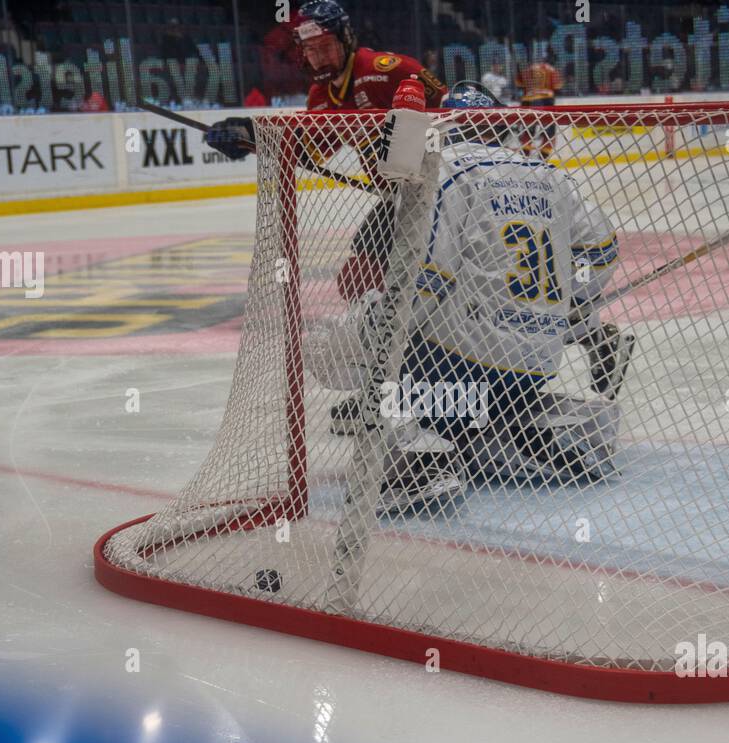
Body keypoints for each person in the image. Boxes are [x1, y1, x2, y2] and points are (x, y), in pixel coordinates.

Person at [305, 82, 631, 512]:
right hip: (530, 373)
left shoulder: (444, 171)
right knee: (487, 422)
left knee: (327, 346)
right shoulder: (550, 176)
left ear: (445, 125)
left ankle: (420, 459)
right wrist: (570, 304)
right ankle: (562, 424)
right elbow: (600, 250)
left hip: (459, 373)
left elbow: (427, 281)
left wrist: (373, 327)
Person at [203, 0, 448, 436]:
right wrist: (251, 136)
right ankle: (385, 383)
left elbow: (458, 109)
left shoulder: (385, 68)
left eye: (326, 47)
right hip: (397, 203)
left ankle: (419, 382)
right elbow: (307, 151)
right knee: (357, 280)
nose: (318, 57)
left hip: (444, 194)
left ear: (346, 39)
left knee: (437, 289)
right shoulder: (322, 96)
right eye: (310, 50)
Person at [515, 52, 563, 158]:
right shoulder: (551, 70)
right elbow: (558, 87)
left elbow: (519, 85)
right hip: (546, 101)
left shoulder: (526, 70)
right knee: (549, 134)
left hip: (528, 101)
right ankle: (541, 160)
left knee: (528, 132)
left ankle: (524, 158)